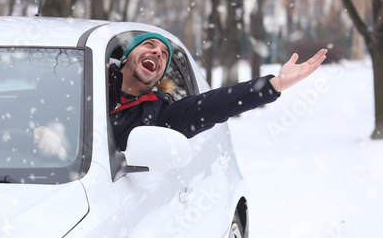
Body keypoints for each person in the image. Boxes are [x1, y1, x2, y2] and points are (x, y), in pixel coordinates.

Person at [35, 32, 327, 154]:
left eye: (164, 54)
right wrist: (45, 129)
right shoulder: (82, 83)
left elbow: (210, 106)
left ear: (161, 74)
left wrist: (273, 85)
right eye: (149, 45)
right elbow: (36, 108)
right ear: (126, 57)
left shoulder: (161, 113)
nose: (157, 53)